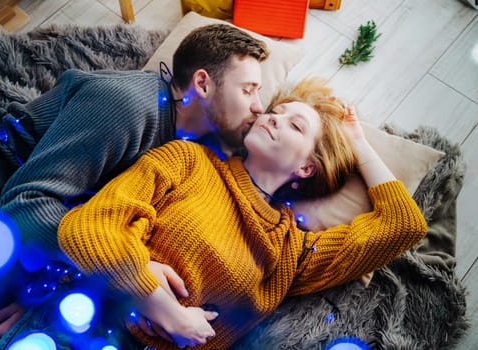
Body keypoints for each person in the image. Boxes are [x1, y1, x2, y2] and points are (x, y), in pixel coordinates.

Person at [0, 24, 269, 349]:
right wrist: (130, 270)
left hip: (21, 230)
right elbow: (25, 203)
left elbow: (95, 219)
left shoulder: (192, 150)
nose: (259, 106)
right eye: (248, 90)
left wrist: (43, 290)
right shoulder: (127, 106)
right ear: (202, 83)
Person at [57, 78, 428, 349]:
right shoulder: (189, 160)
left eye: (294, 125)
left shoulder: (291, 253)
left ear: (306, 168)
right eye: (276, 112)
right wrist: (157, 301)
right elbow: (86, 227)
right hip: (80, 325)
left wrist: (359, 145)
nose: (274, 118)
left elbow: (404, 224)